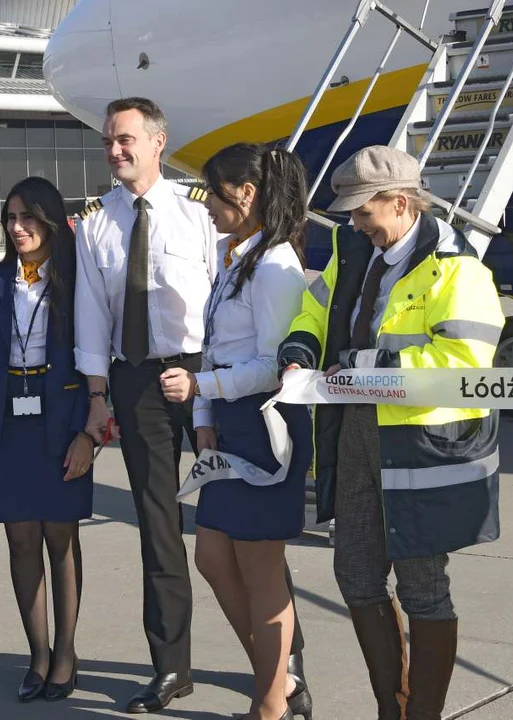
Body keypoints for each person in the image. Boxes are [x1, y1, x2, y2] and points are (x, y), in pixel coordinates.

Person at [74, 97, 313, 714]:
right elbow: (92, 315)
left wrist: (204, 403)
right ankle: (170, 666)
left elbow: (231, 314)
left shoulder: (202, 217)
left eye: (125, 139)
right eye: (108, 141)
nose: (115, 151)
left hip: (207, 379)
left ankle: (286, 668)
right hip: (140, 383)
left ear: (158, 142)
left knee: (251, 543)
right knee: (159, 528)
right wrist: (98, 395)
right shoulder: (97, 224)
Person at [278, 145, 504, 720]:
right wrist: (301, 349)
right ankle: (391, 706)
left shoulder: (458, 266)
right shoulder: (354, 253)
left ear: (400, 203)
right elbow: (315, 310)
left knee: (422, 584)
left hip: (420, 444)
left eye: (362, 212)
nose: (354, 223)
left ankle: (419, 713)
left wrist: (362, 367)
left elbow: (463, 362)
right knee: (354, 572)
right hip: (357, 431)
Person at [160, 144, 314, 720]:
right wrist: (202, 421)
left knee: (259, 564)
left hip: (265, 425)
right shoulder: (235, 257)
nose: (207, 208)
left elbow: (277, 365)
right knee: (213, 557)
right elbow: (215, 348)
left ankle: (271, 700)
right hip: (228, 425)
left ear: (245, 194)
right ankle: (275, 680)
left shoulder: (275, 265)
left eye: (213, 195)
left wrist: (205, 392)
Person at [0, 177, 94, 702]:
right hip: (8, 421)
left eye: (28, 217)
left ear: (51, 220)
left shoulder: (79, 282)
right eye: (11, 218)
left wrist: (87, 434)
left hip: (62, 423)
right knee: (20, 539)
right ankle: (37, 654)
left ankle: (66, 653)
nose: (17, 228)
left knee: (61, 538)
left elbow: (97, 360)